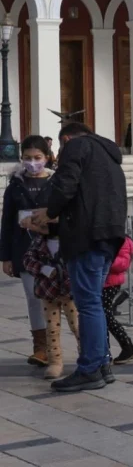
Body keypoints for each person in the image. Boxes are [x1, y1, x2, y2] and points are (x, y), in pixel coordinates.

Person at [32, 122, 128, 392]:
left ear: (65, 139)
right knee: (94, 303)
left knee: (88, 305)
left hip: (86, 237)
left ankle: (90, 368)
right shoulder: (108, 154)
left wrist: (49, 212)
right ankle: (102, 365)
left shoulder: (77, 147)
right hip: (109, 236)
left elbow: (65, 185)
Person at [0, 135, 54, 368]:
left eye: (37, 157)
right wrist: (5, 256)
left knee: (59, 299)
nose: (32, 162)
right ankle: (40, 347)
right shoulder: (16, 185)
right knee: (33, 297)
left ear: (47, 157)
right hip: (25, 249)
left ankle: (57, 345)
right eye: (27, 158)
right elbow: (7, 222)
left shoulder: (56, 182)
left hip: (53, 247)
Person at [21, 225, 79, 380]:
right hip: (47, 291)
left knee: (77, 326)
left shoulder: (70, 239)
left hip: (68, 291)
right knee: (52, 328)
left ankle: (85, 356)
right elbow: (27, 260)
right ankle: (55, 362)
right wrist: (42, 269)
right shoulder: (39, 241)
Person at [103, 237, 133, 365]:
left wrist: (104, 259)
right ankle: (119, 349)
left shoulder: (121, 240)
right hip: (105, 282)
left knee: (105, 316)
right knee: (104, 316)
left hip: (110, 283)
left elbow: (122, 264)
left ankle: (125, 347)